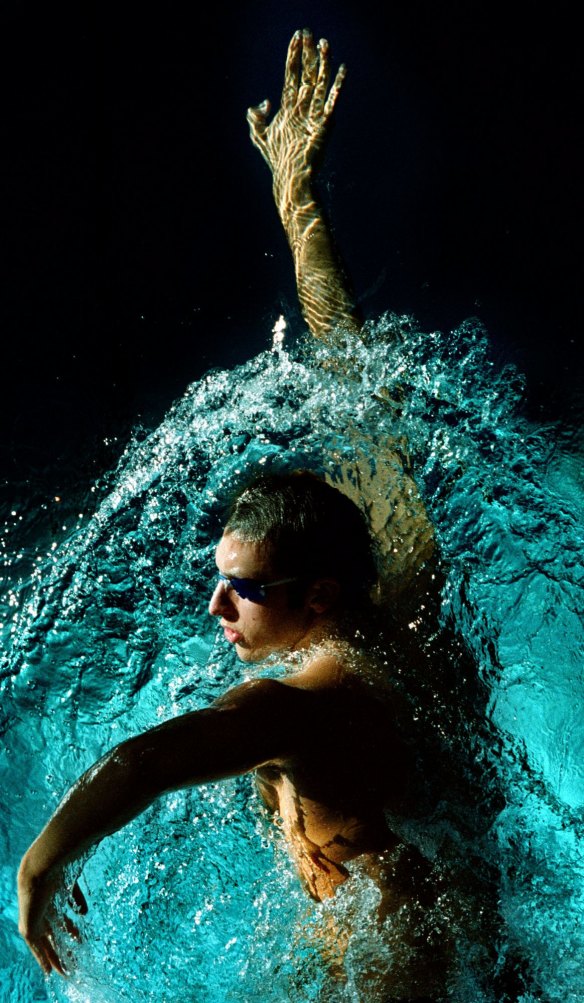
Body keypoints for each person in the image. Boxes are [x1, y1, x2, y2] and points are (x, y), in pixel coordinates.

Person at [17, 30, 502, 1000]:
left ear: (315, 593)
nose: (216, 608)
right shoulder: (409, 601)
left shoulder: (306, 704)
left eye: (243, 588)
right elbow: (358, 388)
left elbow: (148, 759)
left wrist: (38, 872)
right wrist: (299, 207)